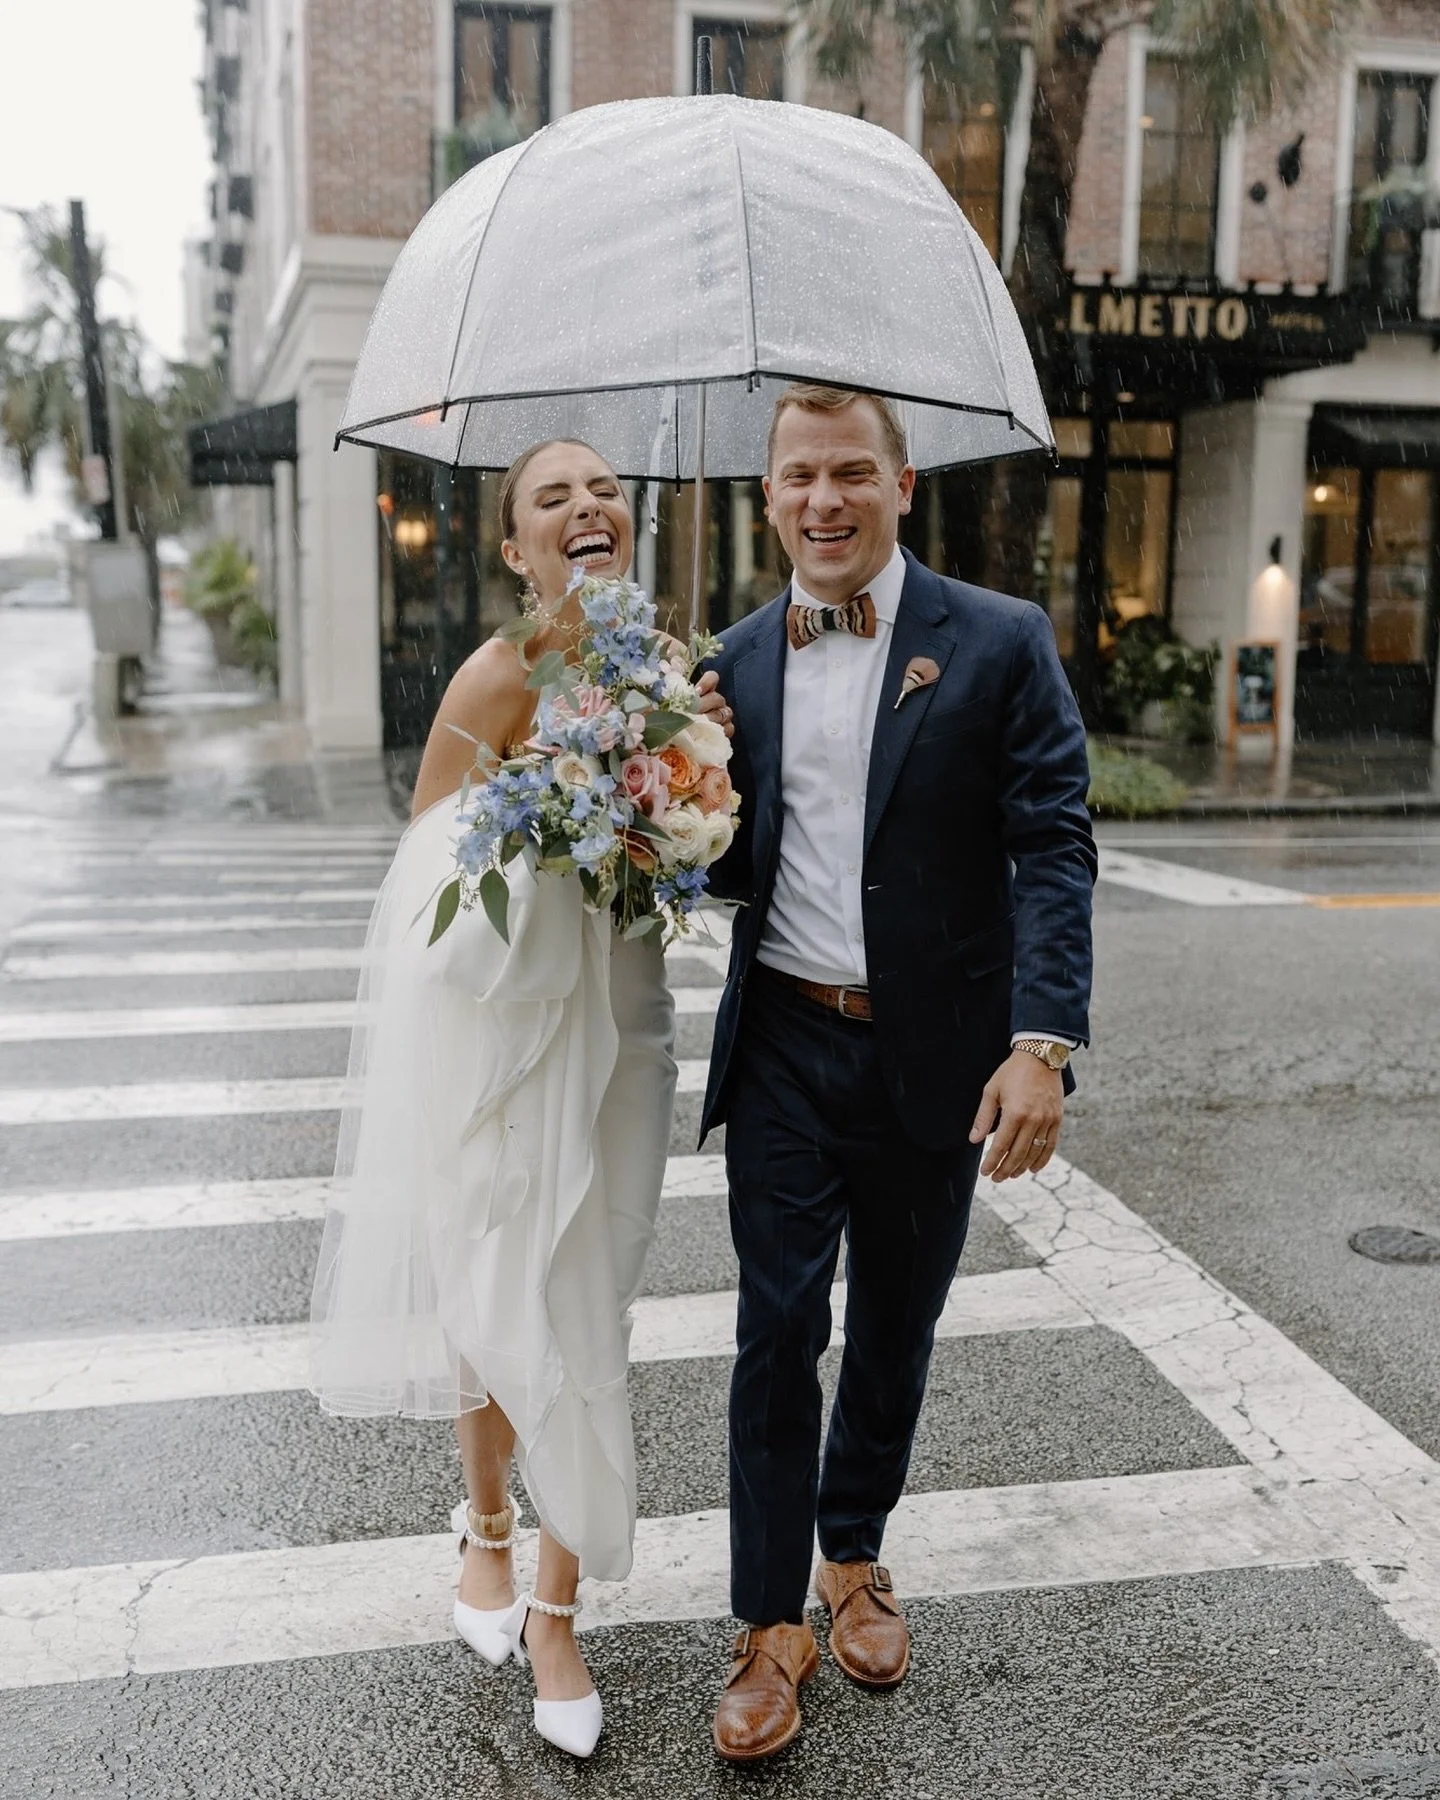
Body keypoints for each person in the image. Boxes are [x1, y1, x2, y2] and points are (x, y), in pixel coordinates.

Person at [309, 438, 732, 1760]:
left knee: (588, 1308)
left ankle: (560, 1610)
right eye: (552, 497)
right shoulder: (497, 675)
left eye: (603, 489)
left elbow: (701, 831)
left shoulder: (666, 675)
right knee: (492, 1299)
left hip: (625, 1035)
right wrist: (543, 818)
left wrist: (674, 814)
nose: (586, 507)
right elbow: (423, 883)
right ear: (515, 547)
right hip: (505, 1037)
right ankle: (486, 1528)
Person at [700, 384, 1096, 1762]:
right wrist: (669, 794)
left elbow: (1052, 839)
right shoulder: (733, 662)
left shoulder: (996, 641)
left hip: (938, 1050)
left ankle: (853, 1554)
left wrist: (1039, 1042)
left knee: (895, 1331)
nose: (825, 498)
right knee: (774, 1330)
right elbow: (728, 861)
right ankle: (767, 1626)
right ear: (769, 497)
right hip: (786, 1050)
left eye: (850, 472)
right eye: (800, 474)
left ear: (902, 482)